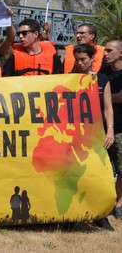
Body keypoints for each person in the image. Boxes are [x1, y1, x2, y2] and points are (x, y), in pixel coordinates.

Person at [73, 43, 115, 231]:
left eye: (83, 59)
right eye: (77, 59)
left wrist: (110, 130)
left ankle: (100, 215)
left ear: (92, 59)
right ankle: (74, 214)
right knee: (75, 173)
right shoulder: (69, 79)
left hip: (97, 134)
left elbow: (108, 108)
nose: (80, 63)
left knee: (99, 174)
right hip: (75, 134)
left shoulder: (103, 79)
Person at [99, 40, 122, 220]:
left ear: (120, 53)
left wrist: (103, 96)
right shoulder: (103, 72)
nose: (105, 53)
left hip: (120, 128)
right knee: (103, 167)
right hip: (102, 127)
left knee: (121, 169)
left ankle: (119, 205)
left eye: (109, 50)